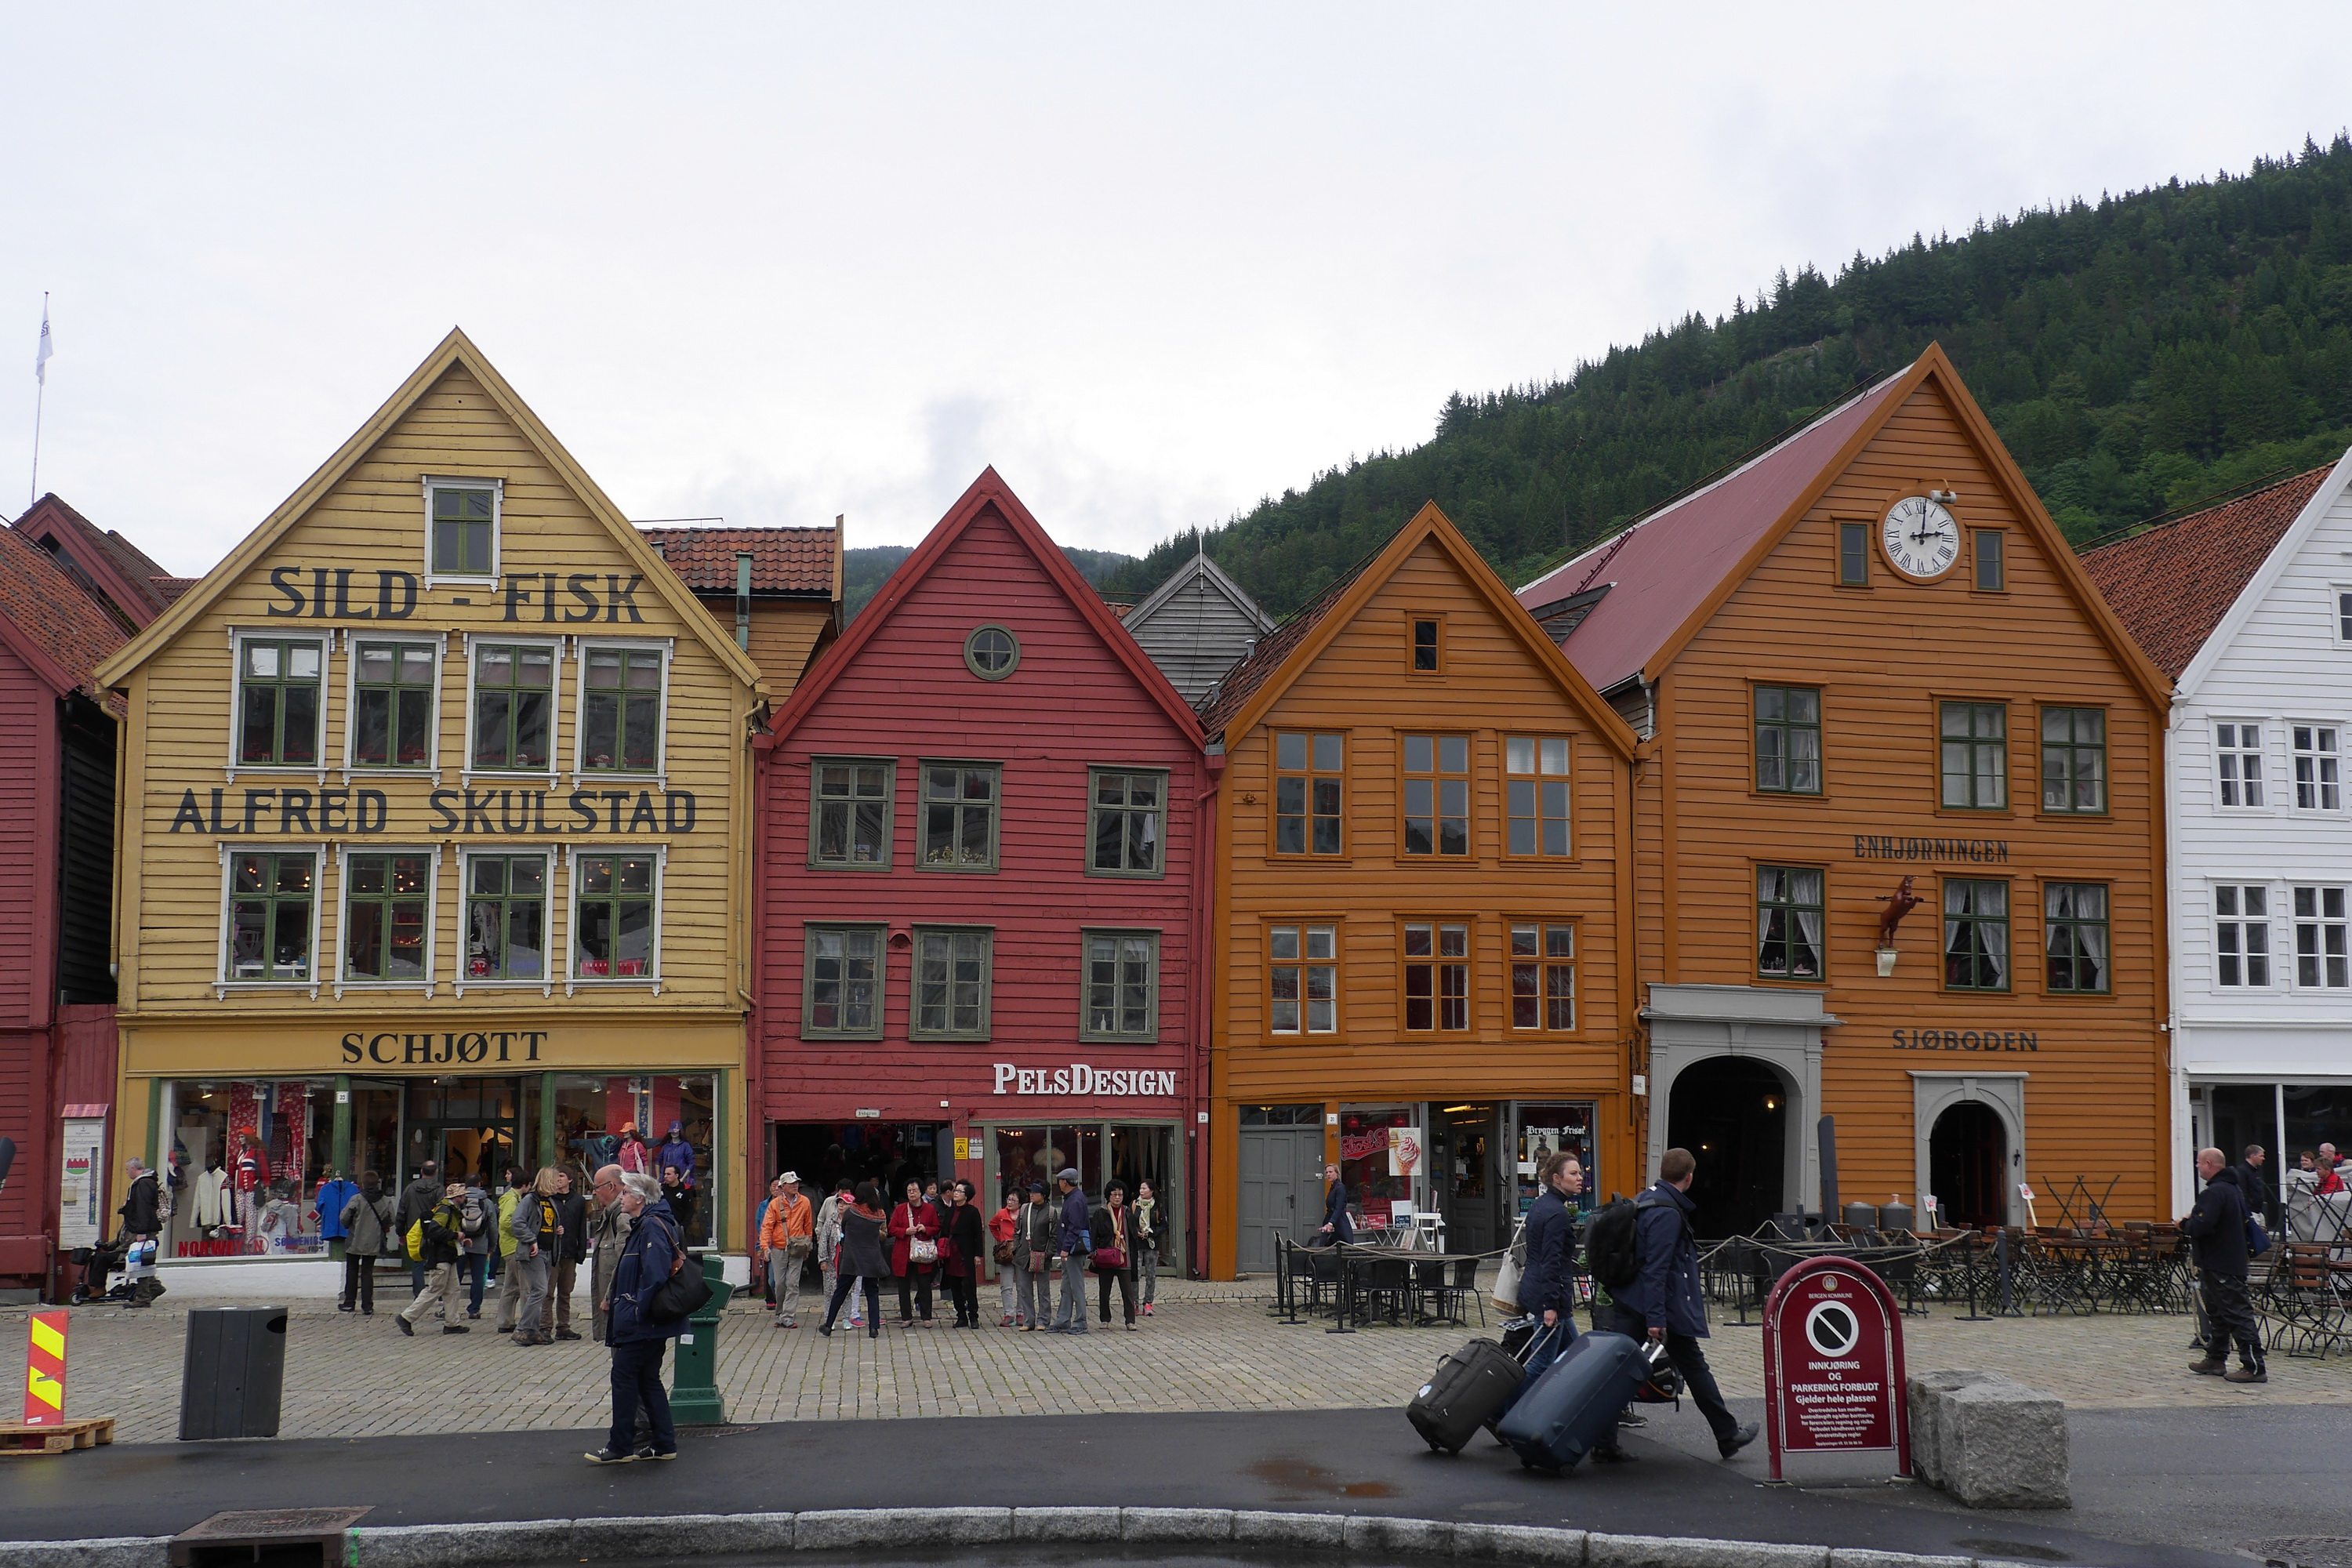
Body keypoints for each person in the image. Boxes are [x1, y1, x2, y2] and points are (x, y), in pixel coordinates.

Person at [1604, 1147, 1759, 1461]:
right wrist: (1656, 1318)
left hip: (1630, 1299)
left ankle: (1603, 1443)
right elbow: (1657, 1268)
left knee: (1615, 1372)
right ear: (1689, 1177)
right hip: (1657, 1306)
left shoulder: (1645, 1198)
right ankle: (1727, 1435)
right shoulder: (1667, 1212)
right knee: (1694, 1367)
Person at [1502, 1152, 1627, 1454]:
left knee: (1581, 1361)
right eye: (1573, 1174)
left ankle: (1600, 1435)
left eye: (1580, 1172)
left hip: (1545, 1294)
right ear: (1556, 1178)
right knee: (1543, 1364)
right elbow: (1552, 1262)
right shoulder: (1557, 1213)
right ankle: (1504, 1416)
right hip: (1551, 1298)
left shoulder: (1543, 1206)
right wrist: (1550, 1306)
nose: (1580, 1177)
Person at [586, 1171, 684, 1464]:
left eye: (626, 1193)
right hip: (646, 1319)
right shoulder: (646, 1224)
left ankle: (621, 1446)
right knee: (647, 1379)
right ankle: (664, 1443)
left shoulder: (651, 1227)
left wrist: (637, 1308)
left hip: (643, 1322)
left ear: (640, 1199)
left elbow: (654, 1274)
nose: (621, 1197)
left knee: (624, 1376)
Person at [2184, 1146, 2266, 1385]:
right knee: (2218, 1314)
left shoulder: (2215, 1193)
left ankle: (2254, 1366)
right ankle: (2216, 1358)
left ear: (2210, 1164)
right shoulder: (2232, 1189)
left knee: (2238, 1314)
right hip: (2222, 1261)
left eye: (2200, 1163)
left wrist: (2185, 1224)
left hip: (2222, 1263)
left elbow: (2202, 1226)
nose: (2197, 1167)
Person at [397, 1181, 472, 1335]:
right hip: (441, 1257)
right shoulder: (445, 1210)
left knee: (453, 1290)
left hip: (448, 1256)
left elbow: (443, 1231)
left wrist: (460, 1239)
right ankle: (406, 1317)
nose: (466, 1197)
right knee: (434, 1289)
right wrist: (455, 1236)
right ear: (457, 1197)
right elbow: (434, 1230)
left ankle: (452, 1323)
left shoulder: (449, 1209)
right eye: (464, 1195)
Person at [818, 1182, 887, 1339]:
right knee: (872, 1293)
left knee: (840, 1292)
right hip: (872, 1257)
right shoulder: (879, 1214)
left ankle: (828, 1325)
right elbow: (882, 1233)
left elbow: (843, 1231)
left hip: (851, 1257)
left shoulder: (852, 1212)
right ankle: (874, 1328)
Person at [508, 1167, 561, 1347]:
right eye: (555, 1181)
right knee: (539, 1290)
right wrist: (531, 1240)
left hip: (547, 1251)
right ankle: (522, 1329)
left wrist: (557, 1230)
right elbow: (517, 1222)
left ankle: (533, 1330)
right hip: (534, 1252)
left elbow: (546, 1223)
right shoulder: (530, 1200)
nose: (558, 1184)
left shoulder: (550, 1201)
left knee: (542, 1291)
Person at [761, 1171, 815, 1327]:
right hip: (778, 1248)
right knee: (779, 1284)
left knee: (793, 1283)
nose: (795, 1185)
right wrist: (765, 1246)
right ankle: (781, 1312)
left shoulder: (805, 1202)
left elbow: (808, 1226)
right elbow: (767, 1226)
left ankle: (788, 1316)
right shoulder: (775, 1204)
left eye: (796, 1182)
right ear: (782, 1186)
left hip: (797, 1247)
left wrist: (808, 1246)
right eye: (791, 1183)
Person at [541, 1164, 589, 1341]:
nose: (558, 1179)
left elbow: (582, 1227)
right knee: (548, 1291)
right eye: (556, 1176)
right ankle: (545, 1326)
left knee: (565, 1291)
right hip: (552, 1252)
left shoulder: (578, 1201)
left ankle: (563, 1326)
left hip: (569, 1252)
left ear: (570, 1179)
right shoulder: (549, 1199)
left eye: (561, 1176)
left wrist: (581, 1251)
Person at [587, 1164, 632, 1345]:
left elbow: (626, 1263)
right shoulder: (611, 1214)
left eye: (597, 1187)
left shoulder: (621, 1216)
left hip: (620, 1308)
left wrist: (607, 1298)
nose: (594, 1193)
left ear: (612, 1187)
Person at [339, 1172, 395, 1315]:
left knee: (352, 1271)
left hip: (355, 1239)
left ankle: (349, 1303)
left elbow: (344, 1218)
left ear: (363, 1184)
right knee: (367, 1272)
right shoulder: (385, 1200)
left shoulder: (357, 1199)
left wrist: (349, 1225)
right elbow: (391, 1219)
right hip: (374, 1240)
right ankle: (367, 1305)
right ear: (377, 1183)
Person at [889, 1177, 938, 1325]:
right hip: (903, 1253)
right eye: (909, 1191)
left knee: (924, 1286)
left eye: (915, 1190)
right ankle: (906, 1317)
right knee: (903, 1287)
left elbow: (937, 1227)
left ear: (920, 1192)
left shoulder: (930, 1209)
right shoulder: (900, 1209)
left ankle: (926, 1317)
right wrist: (905, 1231)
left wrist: (926, 1229)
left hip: (922, 1253)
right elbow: (891, 1228)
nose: (912, 1193)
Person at [1093, 1180, 1139, 1330]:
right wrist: (1093, 1253)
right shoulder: (1101, 1212)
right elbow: (1094, 1234)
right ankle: (1105, 1319)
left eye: (1120, 1194)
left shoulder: (1127, 1212)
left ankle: (1130, 1321)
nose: (1117, 1198)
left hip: (1124, 1257)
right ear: (1109, 1196)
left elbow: (1133, 1234)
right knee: (1104, 1291)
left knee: (1128, 1292)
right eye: (1114, 1195)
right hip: (1106, 1256)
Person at [1050, 1169, 1092, 1333]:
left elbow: (1074, 1228)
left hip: (1074, 1249)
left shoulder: (1074, 1200)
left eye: (1059, 1180)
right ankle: (1063, 1319)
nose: (1058, 1183)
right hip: (1072, 1248)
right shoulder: (1074, 1197)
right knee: (1067, 1286)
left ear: (1065, 1182)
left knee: (1076, 1286)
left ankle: (1081, 1321)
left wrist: (1065, 1248)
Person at [118, 1158, 163, 1305]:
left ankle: (143, 1298)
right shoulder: (147, 1182)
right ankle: (155, 1287)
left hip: (144, 1230)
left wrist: (141, 1231)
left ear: (133, 1168)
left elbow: (143, 1209)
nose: (126, 1172)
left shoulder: (143, 1184)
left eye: (127, 1169)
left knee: (141, 1262)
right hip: (145, 1228)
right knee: (144, 1260)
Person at [941, 1179, 985, 1327]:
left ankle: (973, 1316)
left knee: (968, 1286)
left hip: (965, 1253)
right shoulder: (950, 1211)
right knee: (954, 1286)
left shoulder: (972, 1212)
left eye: (960, 1191)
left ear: (967, 1195)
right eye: (955, 1190)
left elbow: (978, 1234)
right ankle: (961, 1316)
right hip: (951, 1254)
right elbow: (944, 1232)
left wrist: (978, 1255)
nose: (956, 1193)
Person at [494, 1167, 532, 1332]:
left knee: (510, 1287)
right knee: (526, 1287)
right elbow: (506, 1221)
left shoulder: (510, 1197)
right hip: (514, 1247)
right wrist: (523, 1234)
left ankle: (505, 1322)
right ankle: (527, 1324)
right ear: (524, 1185)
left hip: (508, 1247)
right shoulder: (512, 1199)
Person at [394, 1161, 441, 1297]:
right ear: (436, 1172)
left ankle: (419, 1296)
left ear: (422, 1171)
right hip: (434, 1229)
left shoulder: (410, 1188)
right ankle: (437, 1294)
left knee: (418, 1263)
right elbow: (443, 1210)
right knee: (438, 1263)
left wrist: (401, 1232)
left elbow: (402, 1211)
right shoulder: (439, 1189)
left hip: (414, 1230)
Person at [1014, 1181, 1054, 1330]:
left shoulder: (1051, 1212)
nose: (1031, 1195)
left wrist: (1049, 1253)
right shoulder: (1024, 1209)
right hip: (1024, 1254)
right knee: (1024, 1290)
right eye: (1030, 1192)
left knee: (1043, 1290)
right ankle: (1028, 1320)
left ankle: (1043, 1320)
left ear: (1043, 1195)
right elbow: (1017, 1230)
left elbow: (1054, 1236)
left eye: (1035, 1193)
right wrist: (1018, 1248)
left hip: (1042, 1254)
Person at [460, 1172, 493, 1320]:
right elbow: (493, 1226)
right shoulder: (487, 1202)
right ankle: (474, 1309)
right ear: (479, 1184)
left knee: (456, 1277)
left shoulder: (460, 1199)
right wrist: (492, 1245)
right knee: (478, 1278)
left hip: (460, 1243)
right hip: (481, 1244)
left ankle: (448, 1307)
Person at [989, 1189, 1022, 1326]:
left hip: (1021, 1253)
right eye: (1008, 1199)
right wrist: (1001, 1240)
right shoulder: (1001, 1214)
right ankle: (1009, 1314)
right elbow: (992, 1226)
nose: (1009, 1202)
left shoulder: (1024, 1214)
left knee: (1022, 1286)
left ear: (1020, 1203)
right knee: (1006, 1286)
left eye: (1013, 1200)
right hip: (1006, 1255)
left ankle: (1021, 1313)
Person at [1133, 1179, 1163, 1317]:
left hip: (1152, 1244)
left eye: (1144, 1188)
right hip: (1137, 1244)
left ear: (1151, 1191)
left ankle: (1148, 1303)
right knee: (1135, 1274)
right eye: (1140, 1188)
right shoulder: (1135, 1205)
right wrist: (1136, 1232)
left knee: (1151, 1275)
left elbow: (1164, 1225)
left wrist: (1151, 1233)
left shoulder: (1158, 1206)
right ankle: (1134, 1303)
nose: (1141, 1191)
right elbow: (1129, 1221)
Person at [314, 1167, 358, 1258]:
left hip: (332, 1229)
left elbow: (319, 1208)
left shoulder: (325, 1189)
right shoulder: (354, 1189)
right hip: (347, 1231)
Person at [1316, 1163, 1352, 1245]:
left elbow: (1338, 1208)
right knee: (1324, 1244)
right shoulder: (1334, 1188)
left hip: (1339, 1221)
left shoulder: (1340, 1188)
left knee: (1343, 1245)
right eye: (1327, 1173)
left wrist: (1331, 1223)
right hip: (1331, 1218)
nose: (1328, 1174)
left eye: (1330, 1172)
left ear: (1337, 1173)